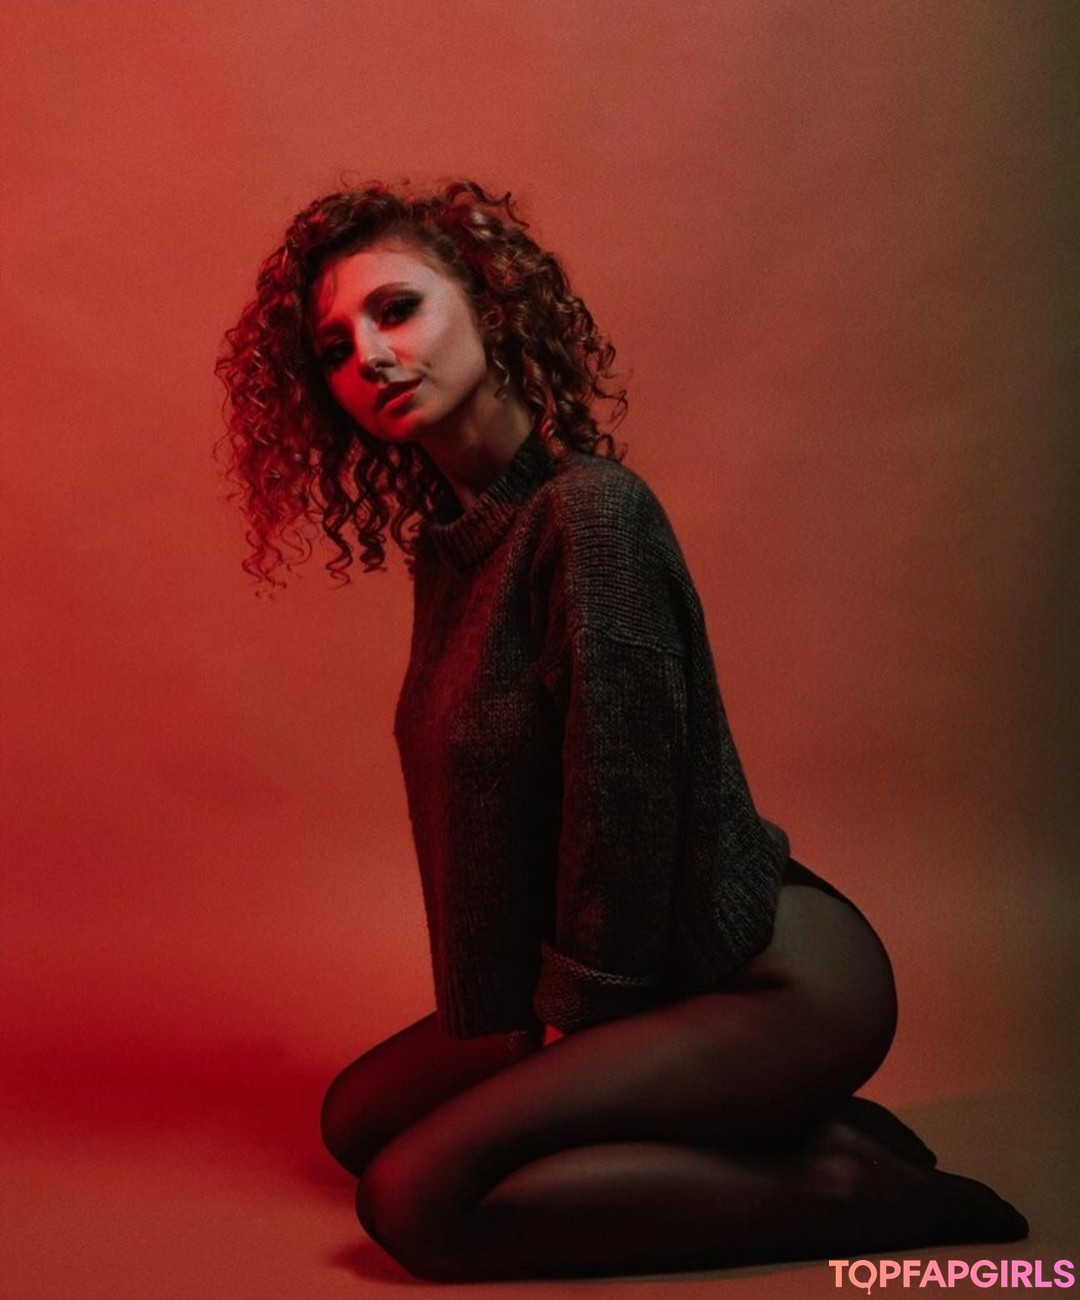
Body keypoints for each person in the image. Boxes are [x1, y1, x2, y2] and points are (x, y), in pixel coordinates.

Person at [215, 180, 1028, 1282]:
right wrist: (515, 1023)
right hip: (631, 972)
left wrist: (575, 1024)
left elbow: (623, 799)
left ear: (491, 307)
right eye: (334, 347)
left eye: (396, 309)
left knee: (413, 1199)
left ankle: (839, 1184)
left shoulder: (590, 513)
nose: (368, 355)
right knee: (358, 1117)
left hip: (764, 980)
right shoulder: (457, 548)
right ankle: (770, 1128)